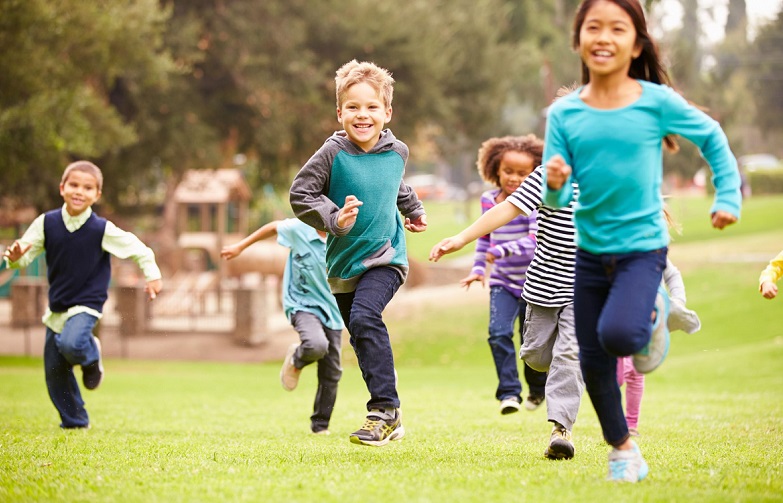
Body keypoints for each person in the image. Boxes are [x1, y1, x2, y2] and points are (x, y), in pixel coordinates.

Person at [542, 0, 742, 482]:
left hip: (641, 249)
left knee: (618, 337)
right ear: (578, 40)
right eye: (593, 27)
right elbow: (556, 200)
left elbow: (712, 137)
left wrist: (728, 195)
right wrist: (556, 183)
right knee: (593, 360)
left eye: (618, 28)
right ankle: (623, 449)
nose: (603, 37)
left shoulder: (655, 101)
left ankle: (653, 314)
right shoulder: (564, 113)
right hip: (589, 252)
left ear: (636, 45)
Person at [289, 59, 427, 446]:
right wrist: (335, 218)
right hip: (342, 263)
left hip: (386, 257)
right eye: (353, 107)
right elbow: (301, 194)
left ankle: (383, 411)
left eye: (371, 107)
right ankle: (391, 413)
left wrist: (413, 210)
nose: (362, 115)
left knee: (366, 317)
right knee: (360, 335)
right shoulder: (332, 152)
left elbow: (397, 185)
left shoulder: (397, 151)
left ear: (387, 112)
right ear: (339, 113)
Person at [431, 140, 585, 461]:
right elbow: (506, 209)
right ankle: (551, 372)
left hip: (583, 288)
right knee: (536, 356)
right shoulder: (546, 176)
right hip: (542, 287)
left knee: (568, 354)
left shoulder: (607, 180)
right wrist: (461, 238)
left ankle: (561, 430)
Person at [2, 160, 162, 430]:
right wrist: (15, 257)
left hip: (87, 303)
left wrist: (152, 275)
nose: (79, 191)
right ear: (62, 188)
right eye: (74, 185)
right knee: (55, 372)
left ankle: (90, 354)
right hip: (57, 306)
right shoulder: (46, 223)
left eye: (87, 188)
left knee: (72, 343)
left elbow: (138, 249)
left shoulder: (101, 229)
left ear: (97, 195)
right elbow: (23, 256)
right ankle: (75, 422)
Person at [221, 218, 344, 435]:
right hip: (302, 304)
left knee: (332, 371)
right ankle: (297, 359)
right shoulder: (300, 229)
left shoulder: (344, 237)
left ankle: (320, 425)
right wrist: (240, 246)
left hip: (334, 310)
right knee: (316, 345)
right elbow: (271, 227)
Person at [461, 135, 547, 415]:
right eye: (508, 171)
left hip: (535, 283)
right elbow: (484, 238)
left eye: (523, 173)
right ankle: (509, 393)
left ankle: (537, 389)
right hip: (503, 283)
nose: (515, 178)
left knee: (531, 343)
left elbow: (535, 240)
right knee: (498, 333)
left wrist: (502, 251)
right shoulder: (489, 200)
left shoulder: (534, 203)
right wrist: (478, 269)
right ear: (495, 169)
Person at [617, 253, 702, 437]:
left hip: (648, 320)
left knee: (637, 373)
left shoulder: (656, 252)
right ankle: (613, 418)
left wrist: (678, 302)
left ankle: (631, 425)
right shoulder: (620, 247)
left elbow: (673, 275)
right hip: (620, 317)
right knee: (619, 375)